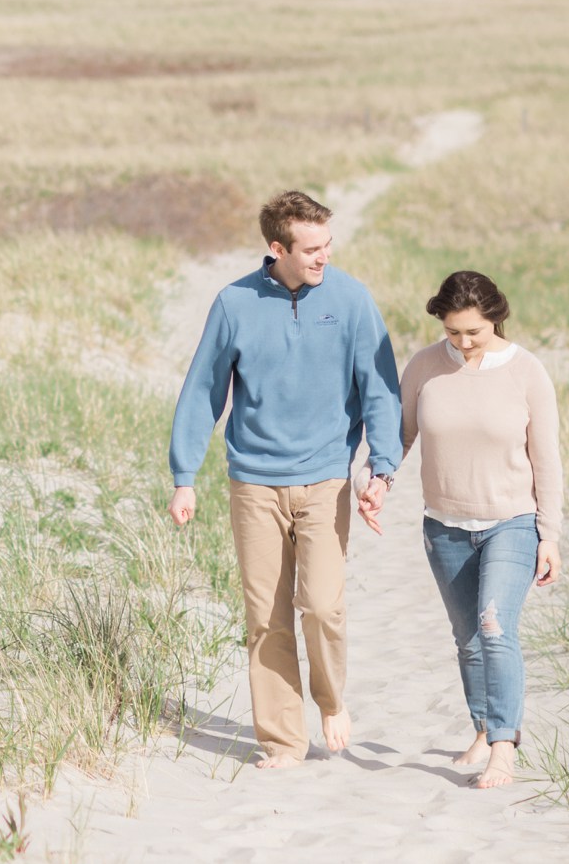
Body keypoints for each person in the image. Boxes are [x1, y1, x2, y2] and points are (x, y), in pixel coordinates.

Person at [167, 189, 402, 768]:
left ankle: (330, 700)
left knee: (321, 605)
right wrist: (184, 475)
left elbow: (380, 388)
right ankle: (282, 740)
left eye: (328, 245)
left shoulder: (350, 300)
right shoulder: (234, 303)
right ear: (278, 249)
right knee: (265, 617)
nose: (325, 257)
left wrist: (383, 468)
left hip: (326, 478)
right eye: (313, 249)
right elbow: (204, 391)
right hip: (253, 482)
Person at [360, 269, 562, 789]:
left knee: (496, 629)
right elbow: (401, 434)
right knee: (468, 638)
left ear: (496, 317)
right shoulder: (425, 366)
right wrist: (380, 478)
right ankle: (480, 728)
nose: (464, 342)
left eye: (474, 330)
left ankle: (502, 747)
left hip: (511, 523)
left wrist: (551, 535)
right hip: (443, 524)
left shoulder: (527, 372)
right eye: (453, 332)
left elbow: (547, 460)